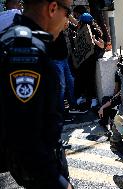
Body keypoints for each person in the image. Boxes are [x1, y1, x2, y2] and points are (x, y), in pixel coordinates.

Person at [0, 0, 73, 188]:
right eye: (68, 12)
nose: (67, 22)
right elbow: (25, 139)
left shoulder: (21, 38)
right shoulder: (25, 55)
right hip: (40, 174)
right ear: (53, 8)